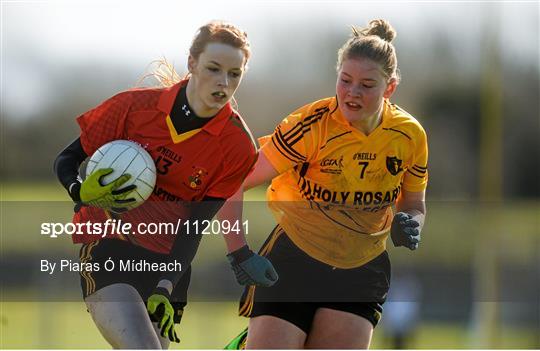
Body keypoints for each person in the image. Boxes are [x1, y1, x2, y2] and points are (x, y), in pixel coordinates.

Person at [53, 21, 277, 349]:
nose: (223, 83)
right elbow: (67, 159)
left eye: (234, 74)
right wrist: (78, 190)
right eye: (214, 69)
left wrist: (165, 285)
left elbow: (195, 226)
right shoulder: (133, 108)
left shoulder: (237, 146)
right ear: (192, 63)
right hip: (109, 249)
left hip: (170, 265)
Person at [222, 19, 428, 349]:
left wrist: (410, 223)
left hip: (361, 269)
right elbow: (231, 182)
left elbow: (414, 204)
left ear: (390, 87)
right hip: (294, 262)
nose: (352, 92)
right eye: (345, 81)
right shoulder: (311, 126)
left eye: (366, 85)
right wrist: (239, 253)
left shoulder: (409, 136)